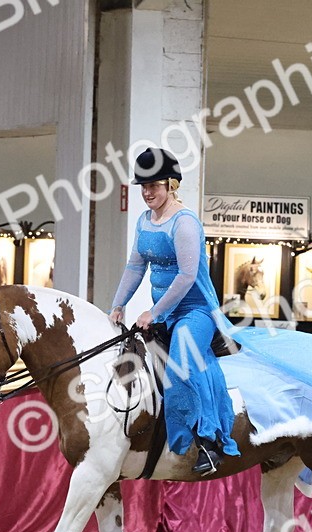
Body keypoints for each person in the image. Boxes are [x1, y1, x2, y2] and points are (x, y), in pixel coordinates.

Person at [108, 148, 240, 476]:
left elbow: (186, 276)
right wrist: (117, 304)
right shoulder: (144, 221)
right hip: (162, 311)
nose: (148, 193)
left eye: (154, 186)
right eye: (143, 187)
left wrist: (153, 312)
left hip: (193, 310)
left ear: (171, 185)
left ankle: (208, 442)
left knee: (183, 359)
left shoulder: (184, 223)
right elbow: (135, 267)